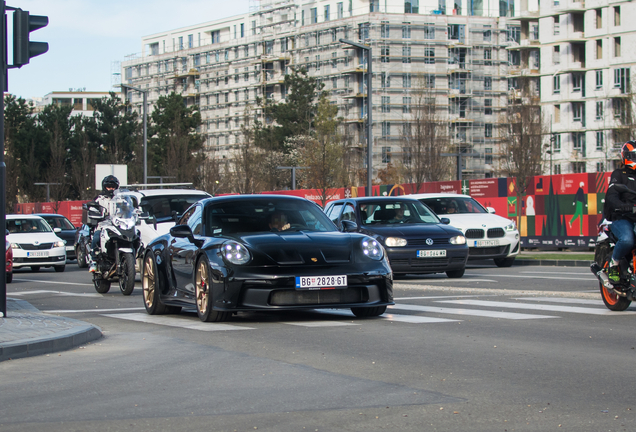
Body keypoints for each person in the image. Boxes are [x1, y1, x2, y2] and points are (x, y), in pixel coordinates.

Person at [603, 141, 636, 284]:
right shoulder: (619, 174)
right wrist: (622, 206)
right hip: (622, 218)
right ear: (626, 156)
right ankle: (614, 265)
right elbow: (612, 195)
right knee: (628, 239)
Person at [89, 175, 120, 272]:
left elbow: (127, 209)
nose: (111, 189)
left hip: (119, 225)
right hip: (103, 225)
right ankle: (93, 260)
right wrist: (97, 213)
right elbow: (92, 209)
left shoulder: (120, 198)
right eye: (109, 187)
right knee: (96, 237)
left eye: (113, 187)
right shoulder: (99, 199)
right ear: (104, 187)